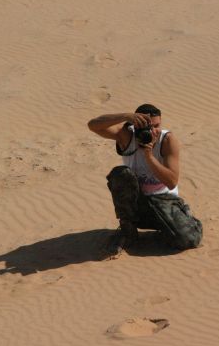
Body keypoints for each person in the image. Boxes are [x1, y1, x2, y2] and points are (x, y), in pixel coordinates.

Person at [87, 104, 203, 255]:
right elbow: (93, 125)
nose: (152, 131)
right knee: (121, 174)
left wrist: (148, 155)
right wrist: (125, 116)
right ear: (135, 126)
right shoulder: (127, 135)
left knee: (189, 240)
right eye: (147, 126)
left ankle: (182, 217)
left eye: (156, 126)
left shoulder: (167, 140)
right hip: (137, 204)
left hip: (164, 201)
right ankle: (128, 230)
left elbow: (172, 182)